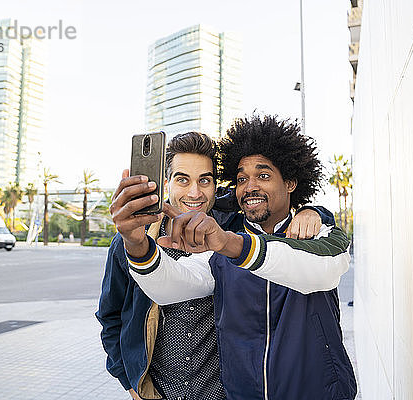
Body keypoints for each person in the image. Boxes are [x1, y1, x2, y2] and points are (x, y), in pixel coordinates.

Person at [114, 115, 357, 400]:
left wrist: (234, 244)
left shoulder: (319, 231)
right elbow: (173, 285)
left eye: (263, 176)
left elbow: (320, 268)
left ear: (290, 181)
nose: (250, 186)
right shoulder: (223, 242)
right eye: (242, 179)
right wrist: (136, 242)